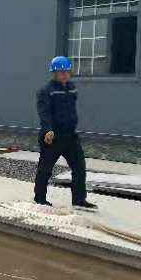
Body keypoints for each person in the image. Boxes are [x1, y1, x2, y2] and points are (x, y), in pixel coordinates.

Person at [33, 56, 96, 209]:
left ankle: (79, 200)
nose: (65, 74)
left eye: (67, 71)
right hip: (53, 137)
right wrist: (48, 130)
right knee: (45, 169)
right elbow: (44, 113)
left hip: (70, 136)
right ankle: (40, 199)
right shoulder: (46, 91)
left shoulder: (71, 88)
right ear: (54, 73)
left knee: (79, 167)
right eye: (61, 72)